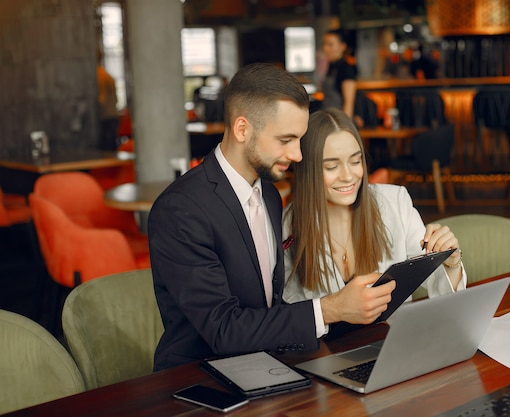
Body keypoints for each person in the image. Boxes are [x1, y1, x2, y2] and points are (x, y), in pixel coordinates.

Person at [148, 63, 396, 371]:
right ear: (242, 129)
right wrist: (330, 309)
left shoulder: (269, 194)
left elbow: (269, 307)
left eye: (299, 140)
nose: (298, 155)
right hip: (197, 378)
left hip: (265, 364)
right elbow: (224, 329)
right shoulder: (180, 210)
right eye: (286, 140)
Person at [283, 108, 466, 304]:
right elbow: (290, 305)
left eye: (355, 161)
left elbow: (439, 284)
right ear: (308, 171)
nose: (348, 176)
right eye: (332, 167)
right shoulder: (289, 223)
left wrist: (451, 263)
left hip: (395, 332)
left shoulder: (395, 202)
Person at [320, 29, 362, 127]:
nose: (325, 48)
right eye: (324, 44)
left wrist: (344, 128)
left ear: (342, 46)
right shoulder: (331, 66)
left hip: (339, 122)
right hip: (329, 119)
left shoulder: (346, 69)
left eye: (330, 45)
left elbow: (349, 102)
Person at [96, 49, 119, 151]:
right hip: (112, 114)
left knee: (108, 149)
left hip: (107, 116)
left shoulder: (100, 75)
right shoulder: (103, 73)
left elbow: (102, 98)